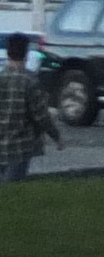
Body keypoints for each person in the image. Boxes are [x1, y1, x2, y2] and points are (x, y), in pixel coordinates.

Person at [0, 32, 60, 184]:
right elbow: (41, 116)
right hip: (20, 147)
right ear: (26, 54)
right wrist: (56, 137)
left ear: (8, 53)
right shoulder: (30, 82)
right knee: (13, 189)